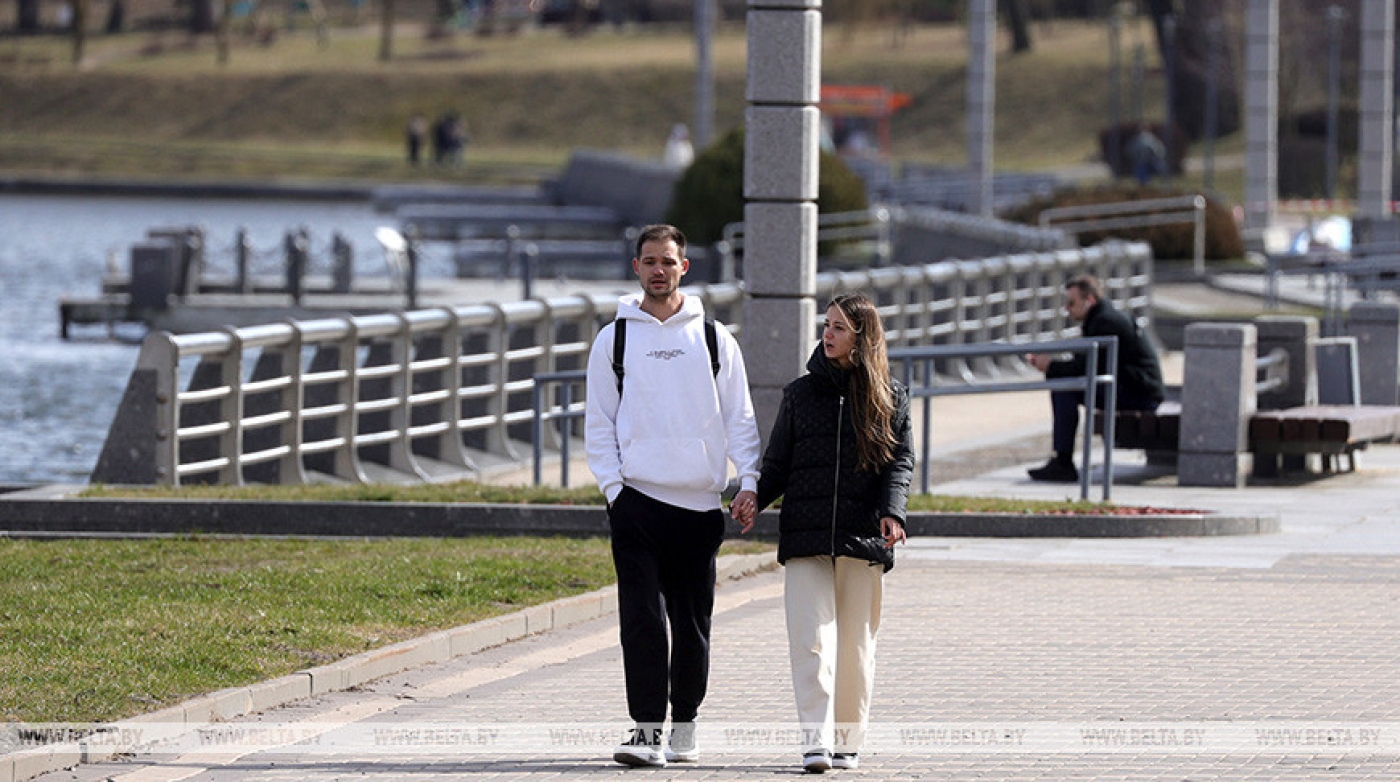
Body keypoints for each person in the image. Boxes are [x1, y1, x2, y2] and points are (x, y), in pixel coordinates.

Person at [584, 223, 762, 768]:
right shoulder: (613, 339)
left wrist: (749, 481)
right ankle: (645, 730)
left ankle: (684, 723)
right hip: (636, 502)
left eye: (668, 261)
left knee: (692, 625)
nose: (658, 270)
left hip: (699, 506)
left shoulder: (714, 339)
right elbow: (599, 423)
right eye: (649, 261)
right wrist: (615, 490)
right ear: (636, 268)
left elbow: (740, 417)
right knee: (640, 620)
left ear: (684, 267)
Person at [739, 292, 914, 774]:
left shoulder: (890, 396)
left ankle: (847, 742)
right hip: (806, 537)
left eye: (839, 327)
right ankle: (815, 742)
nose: (827, 333)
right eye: (827, 324)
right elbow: (777, 464)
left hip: (863, 537)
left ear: (862, 337)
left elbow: (900, 463)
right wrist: (752, 496)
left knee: (856, 647)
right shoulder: (799, 394)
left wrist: (893, 513)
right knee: (810, 641)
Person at [1025, 274, 1166, 483]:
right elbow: (1090, 363)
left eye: (1071, 303)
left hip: (1140, 395)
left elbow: (1090, 366)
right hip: (1137, 389)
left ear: (1089, 300)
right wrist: (1054, 367)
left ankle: (1063, 463)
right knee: (1066, 386)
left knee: (1065, 389)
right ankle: (1061, 461)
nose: (1067, 308)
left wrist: (1051, 366)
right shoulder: (1102, 318)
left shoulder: (1105, 322)